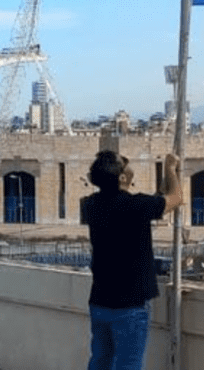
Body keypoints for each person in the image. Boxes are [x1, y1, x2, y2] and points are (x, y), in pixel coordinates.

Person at [81, 150, 182, 370]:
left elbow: (155, 202)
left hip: (100, 301)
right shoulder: (135, 206)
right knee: (129, 365)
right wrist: (171, 169)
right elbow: (176, 199)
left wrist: (163, 182)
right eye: (124, 162)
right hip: (129, 306)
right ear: (122, 177)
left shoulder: (91, 205)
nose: (128, 163)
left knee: (100, 362)